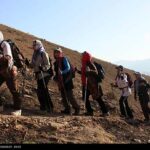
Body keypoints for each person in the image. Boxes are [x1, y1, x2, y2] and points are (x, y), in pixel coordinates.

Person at [77, 51, 109, 116]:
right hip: (86, 84)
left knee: (98, 98)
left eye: (82, 55)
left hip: (92, 85)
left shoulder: (90, 64)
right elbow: (85, 73)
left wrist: (89, 70)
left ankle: (105, 112)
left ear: (85, 57)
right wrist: (78, 71)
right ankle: (90, 111)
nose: (81, 56)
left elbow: (95, 72)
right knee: (84, 98)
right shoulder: (84, 64)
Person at [0, 31, 22, 116]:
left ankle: (18, 109)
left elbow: (8, 57)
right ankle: (0, 106)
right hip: (2, 71)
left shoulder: (5, 44)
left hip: (9, 71)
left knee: (14, 90)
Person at [53, 47, 80, 115]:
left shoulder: (64, 59)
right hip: (61, 81)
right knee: (63, 96)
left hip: (67, 80)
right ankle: (67, 109)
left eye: (58, 52)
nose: (56, 54)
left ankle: (77, 108)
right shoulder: (56, 62)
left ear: (60, 53)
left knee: (69, 95)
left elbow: (68, 68)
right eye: (55, 52)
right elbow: (57, 72)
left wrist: (62, 72)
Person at [30, 40, 53, 113]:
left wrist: (42, 68)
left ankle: (46, 107)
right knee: (41, 90)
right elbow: (33, 65)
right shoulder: (35, 54)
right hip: (38, 74)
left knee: (42, 90)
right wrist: (28, 64)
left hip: (45, 74)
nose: (33, 47)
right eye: (33, 45)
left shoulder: (43, 53)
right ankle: (46, 107)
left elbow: (48, 65)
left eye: (35, 45)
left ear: (39, 45)